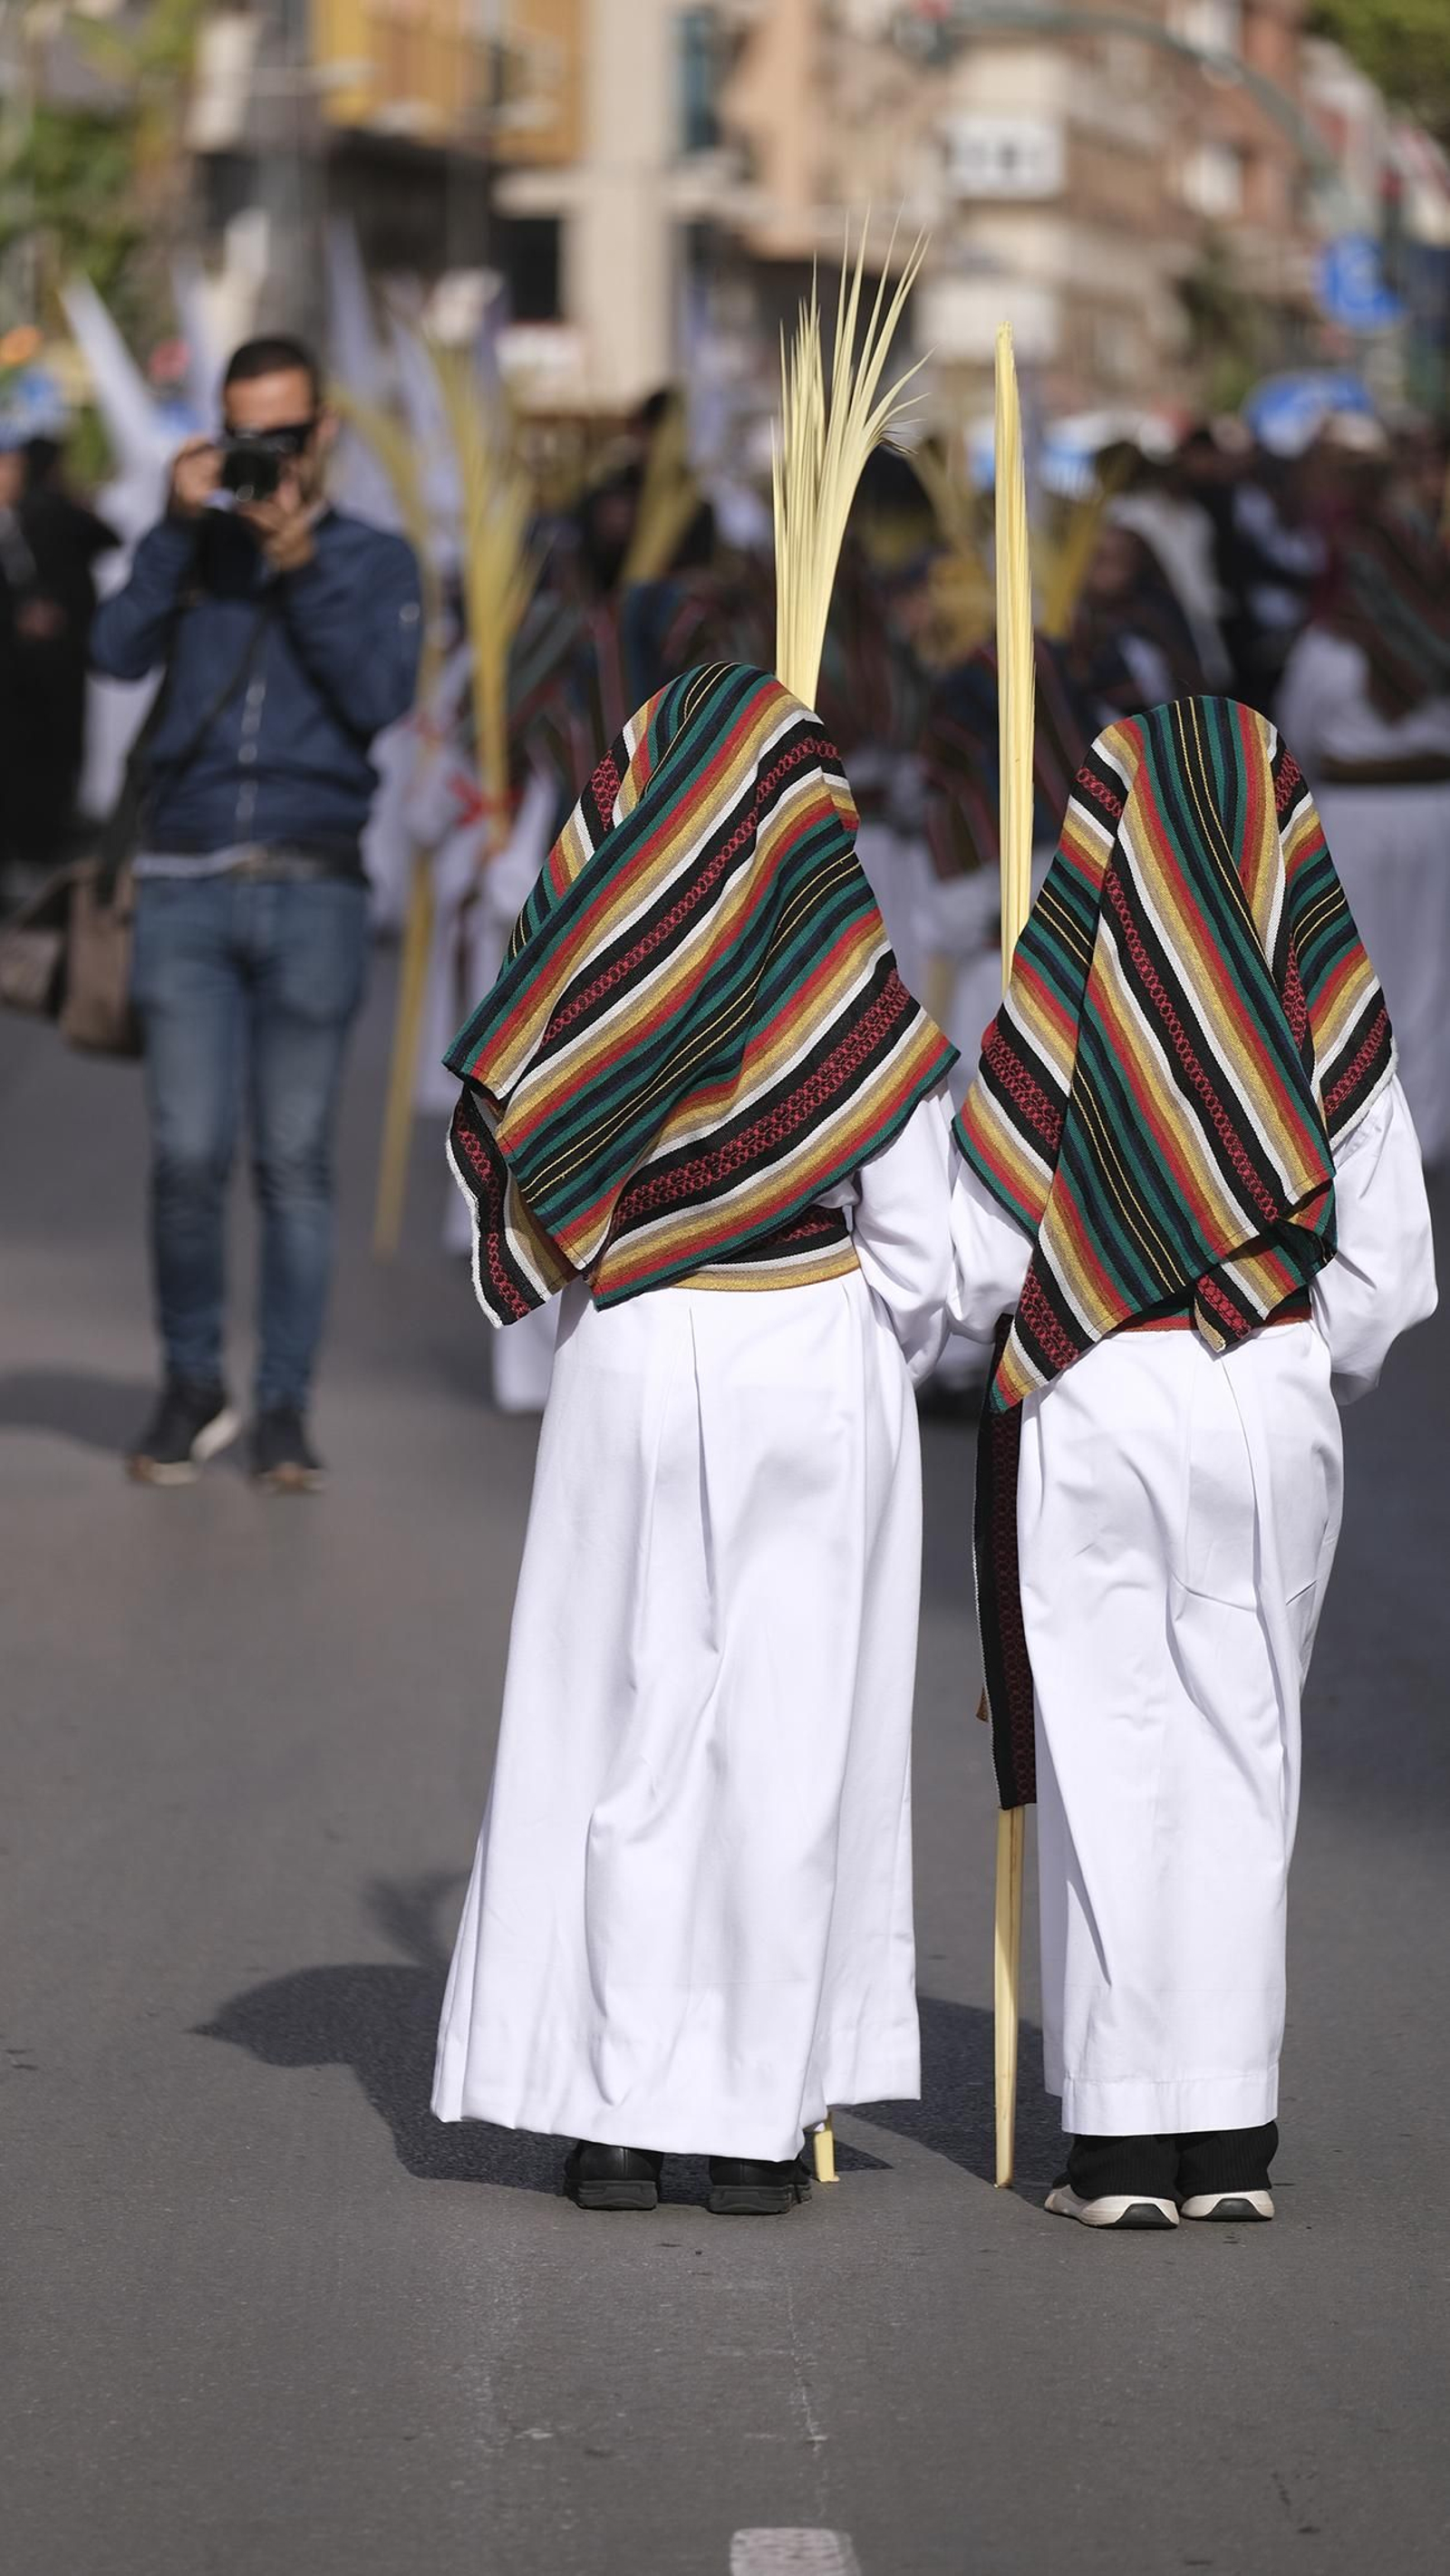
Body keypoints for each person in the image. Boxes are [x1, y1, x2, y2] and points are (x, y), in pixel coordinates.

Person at [431, 661, 958, 2214]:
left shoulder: (586, 967)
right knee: (785, 1737)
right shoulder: (850, 983)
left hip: (633, 1355)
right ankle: (741, 2121)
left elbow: (508, 1191)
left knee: (611, 1725)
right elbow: (927, 1253)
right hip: (809, 1339)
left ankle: (607, 2112)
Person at [940, 697, 1436, 2227]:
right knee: (1247, 1748)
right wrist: (1286, 1341)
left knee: (1109, 1747)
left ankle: (1120, 2144)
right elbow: (1395, 1264)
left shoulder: (1060, 990)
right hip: (1266, 1377)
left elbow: (972, 1250)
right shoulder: (1325, 996)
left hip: (1095, 1377)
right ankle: (1229, 2136)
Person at [91, 334, 422, 1490]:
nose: (266, 460)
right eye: (245, 439)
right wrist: (178, 530)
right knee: (186, 1153)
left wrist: (304, 566)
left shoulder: (374, 562)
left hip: (315, 880)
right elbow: (110, 650)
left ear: (321, 432)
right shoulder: (193, 553)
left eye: (284, 437)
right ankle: (192, 1383)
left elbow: (383, 697)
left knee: (292, 1158)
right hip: (183, 879)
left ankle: (283, 1405)